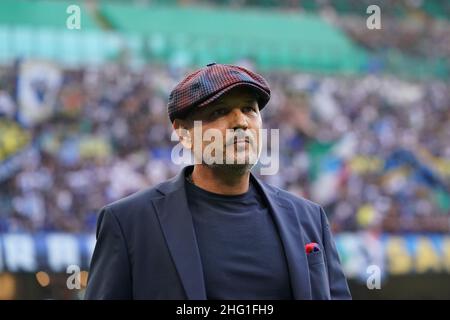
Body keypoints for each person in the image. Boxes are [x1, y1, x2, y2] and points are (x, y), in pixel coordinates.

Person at [85, 63, 351, 300]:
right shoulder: (129, 222)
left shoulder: (309, 218)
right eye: (219, 111)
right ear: (183, 133)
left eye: (249, 109)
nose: (240, 122)